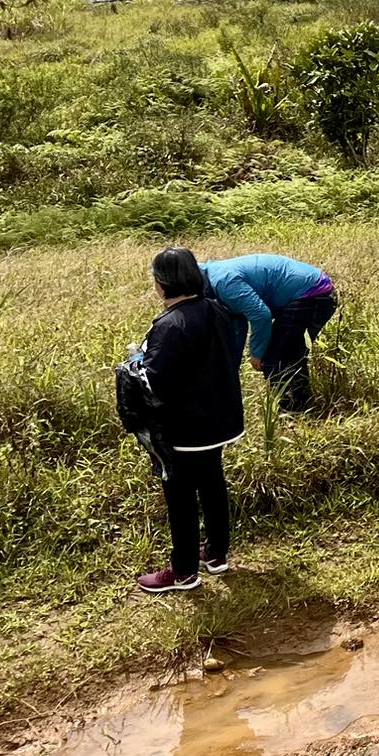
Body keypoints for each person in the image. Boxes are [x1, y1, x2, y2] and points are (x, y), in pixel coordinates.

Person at [134, 248, 245, 593]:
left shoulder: (170, 325)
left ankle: (182, 572)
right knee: (212, 484)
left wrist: (136, 362)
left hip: (185, 428)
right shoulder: (219, 311)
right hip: (220, 420)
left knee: (180, 496)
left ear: (162, 283)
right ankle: (215, 554)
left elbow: (155, 382)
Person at [203, 253, 338, 413]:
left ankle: (295, 413)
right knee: (288, 355)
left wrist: (257, 353)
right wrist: (232, 366)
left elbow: (261, 316)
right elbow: (238, 324)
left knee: (278, 359)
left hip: (312, 294)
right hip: (308, 293)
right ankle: (299, 408)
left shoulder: (223, 281)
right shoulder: (212, 277)